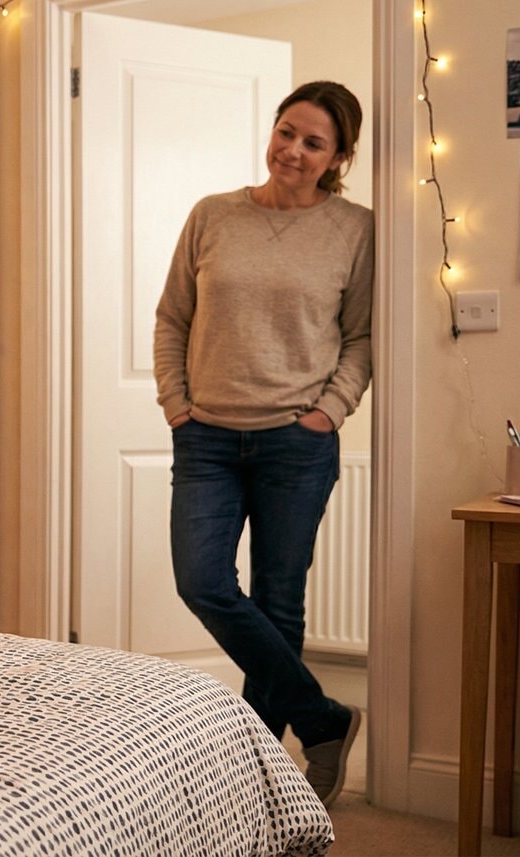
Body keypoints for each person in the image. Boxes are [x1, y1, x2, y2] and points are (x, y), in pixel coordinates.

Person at [152, 80, 372, 809]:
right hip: (206, 436)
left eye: (314, 142)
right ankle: (323, 717)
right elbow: (172, 318)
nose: (293, 150)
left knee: (280, 601)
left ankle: (258, 779)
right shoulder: (213, 214)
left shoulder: (356, 228)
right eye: (287, 131)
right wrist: (177, 405)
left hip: (296, 442)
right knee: (202, 580)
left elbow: (364, 336)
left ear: (338, 156)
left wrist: (330, 410)